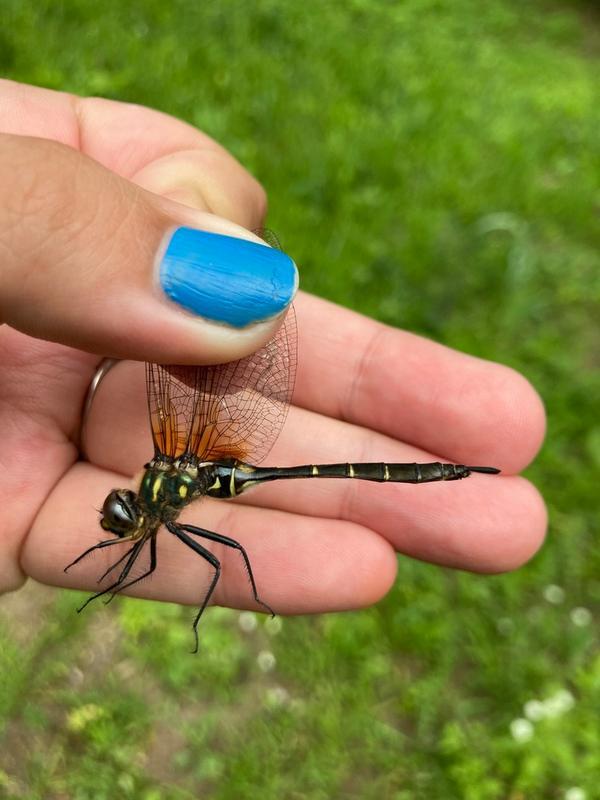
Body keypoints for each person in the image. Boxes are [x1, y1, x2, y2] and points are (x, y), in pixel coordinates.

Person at [0, 79, 546, 617]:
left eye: (118, 518)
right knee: (210, 556)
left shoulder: (161, 495)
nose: (117, 518)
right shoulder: (163, 480)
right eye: (120, 518)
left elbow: (150, 562)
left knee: (218, 559)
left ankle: (455, 472)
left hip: (203, 463)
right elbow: (142, 559)